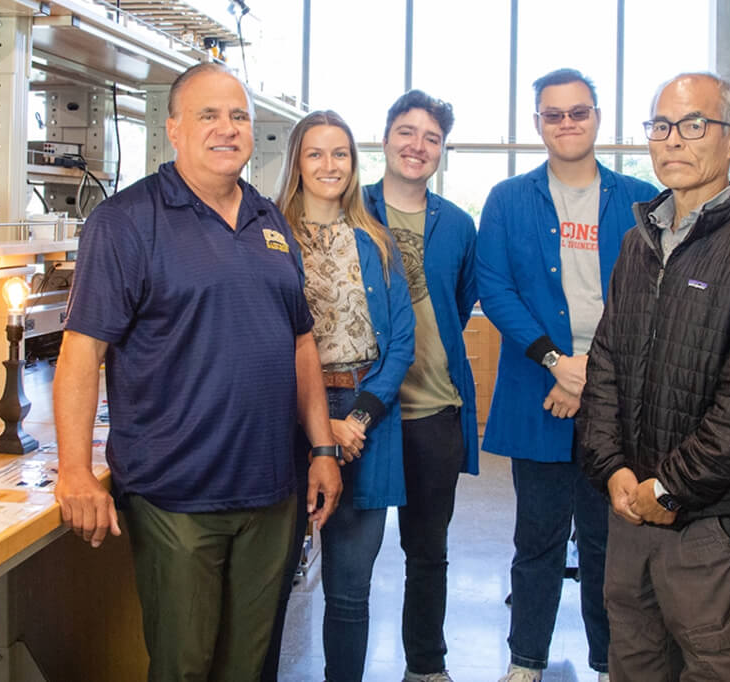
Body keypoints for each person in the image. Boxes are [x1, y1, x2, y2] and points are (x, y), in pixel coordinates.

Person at [53, 63, 342, 681]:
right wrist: (74, 471)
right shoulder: (128, 221)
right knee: (184, 666)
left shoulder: (271, 223)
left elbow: (300, 344)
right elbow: (82, 353)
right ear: (174, 128)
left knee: (250, 666)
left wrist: (320, 447)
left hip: (270, 490)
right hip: (176, 495)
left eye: (238, 116)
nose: (227, 129)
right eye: (208, 115)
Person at [579, 72, 730, 681]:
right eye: (660, 127)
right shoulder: (638, 244)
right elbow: (606, 365)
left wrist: (670, 490)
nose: (673, 141)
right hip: (630, 513)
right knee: (632, 664)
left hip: (709, 531)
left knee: (716, 666)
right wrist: (614, 470)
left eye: (693, 125)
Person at [475, 68, 658, 682]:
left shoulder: (639, 200)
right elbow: (495, 289)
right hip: (539, 392)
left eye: (578, 112)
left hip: (617, 398)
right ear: (538, 124)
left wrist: (591, 374)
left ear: (597, 117)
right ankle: (526, 660)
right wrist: (558, 362)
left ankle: (610, 663)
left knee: (612, 546)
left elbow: (651, 298)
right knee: (537, 544)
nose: (567, 123)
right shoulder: (507, 200)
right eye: (553, 114)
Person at [273, 110, 416, 682]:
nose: (329, 165)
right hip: (285, 423)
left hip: (367, 424)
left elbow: (400, 342)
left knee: (350, 594)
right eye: (315, 153)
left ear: (355, 165)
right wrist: (317, 428)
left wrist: (354, 418)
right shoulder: (269, 235)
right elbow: (263, 340)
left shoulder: (377, 241)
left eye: (341, 154)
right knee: (271, 586)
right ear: (297, 163)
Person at [363, 90, 480, 682]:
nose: (418, 146)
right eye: (407, 132)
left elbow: (458, 306)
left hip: (433, 411)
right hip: (360, 415)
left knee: (427, 552)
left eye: (431, 137)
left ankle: (425, 666)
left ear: (441, 150)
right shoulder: (351, 209)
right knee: (351, 556)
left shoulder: (458, 225)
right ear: (385, 139)